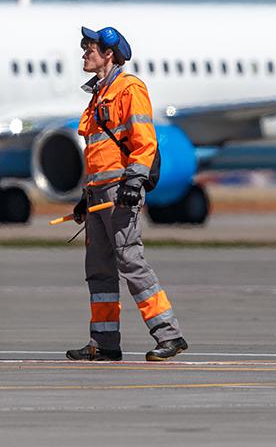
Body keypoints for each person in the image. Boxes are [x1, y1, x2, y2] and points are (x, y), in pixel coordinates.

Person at [65, 26, 188, 362]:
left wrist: (134, 183)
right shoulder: (97, 95)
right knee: (99, 270)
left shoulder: (129, 88)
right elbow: (97, 152)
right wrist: (85, 195)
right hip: (98, 194)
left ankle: (169, 334)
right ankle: (104, 342)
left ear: (109, 53)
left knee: (131, 262)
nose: (84, 53)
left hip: (120, 192)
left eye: (89, 48)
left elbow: (144, 141)